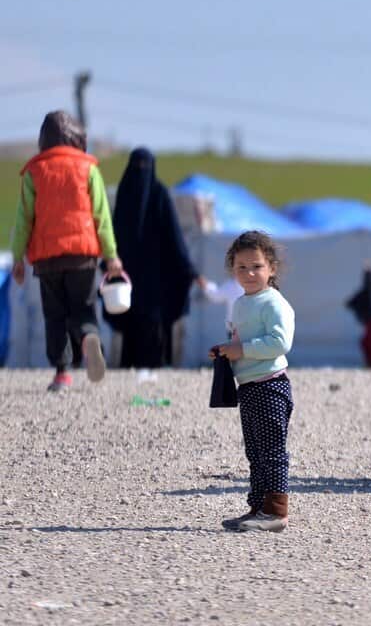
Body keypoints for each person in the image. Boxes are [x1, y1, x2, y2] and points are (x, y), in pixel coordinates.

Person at [10, 110, 123, 392]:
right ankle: (88, 338)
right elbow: (102, 216)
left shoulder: (34, 171)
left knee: (55, 315)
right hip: (82, 256)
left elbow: (23, 220)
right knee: (83, 308)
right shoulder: (88, 168)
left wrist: (17, 258)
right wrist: (111, 255)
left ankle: (62, 373)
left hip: (47, 258)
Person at [211, 231, 296, 533]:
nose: (249, 273)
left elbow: (280, 342)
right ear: (232, 270)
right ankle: (257, 508)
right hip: (248, 386)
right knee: (255, 453)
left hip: (270, 385)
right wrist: (225, 351)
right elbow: (240, 339)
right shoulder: (240, 303)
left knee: (272, 451)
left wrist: (242, 350)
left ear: (271, 268)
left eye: (256, 266)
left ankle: (276, 511)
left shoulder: (273, 302)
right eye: (242, 267)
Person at [106, 148, 206, 368]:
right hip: (128, 277)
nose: (141, 171)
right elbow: (114, 233)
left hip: (156, 281)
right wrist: (108, 260)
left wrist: (190, 271)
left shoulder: (160, 195)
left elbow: (174, 236)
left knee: (154, 328)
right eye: (137, 166)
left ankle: (155, 373)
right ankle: (128, 374)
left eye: (145, 167)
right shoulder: (125, 192)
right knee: (129, 325)